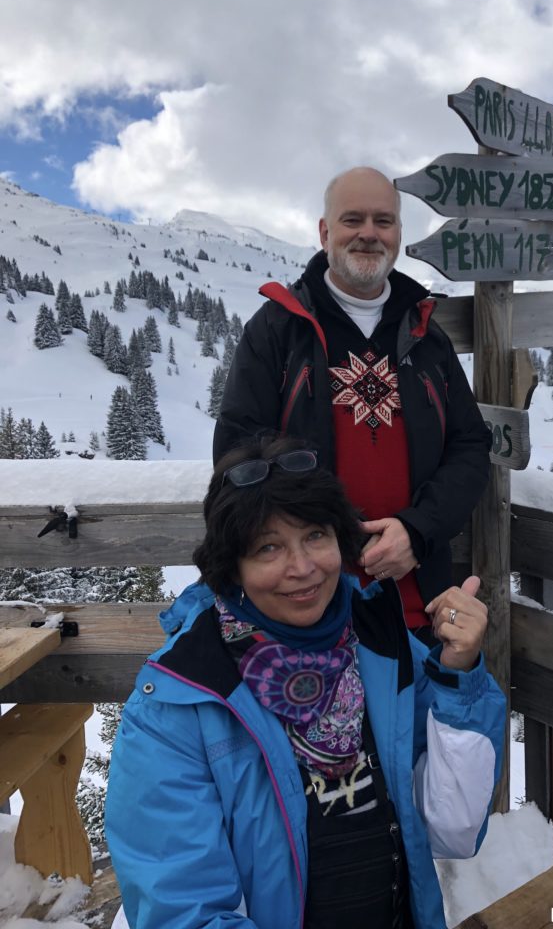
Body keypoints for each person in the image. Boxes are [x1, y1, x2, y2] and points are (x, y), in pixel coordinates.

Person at [105, 439, 505, 929]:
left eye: (316, 535)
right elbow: (184, 913)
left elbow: (454, 830)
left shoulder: (380, 643)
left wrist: (459, 674)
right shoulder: (178, 703)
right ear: (232, 567)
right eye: (268, 547)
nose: (302, 568)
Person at [213, 167, 491, 640]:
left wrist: (417, 531)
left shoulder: (426, 334)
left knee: (418, 715)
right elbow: (238, 455)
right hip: (309, 607)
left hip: (419, 606)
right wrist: (324, 536)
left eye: (383, 221)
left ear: (399, 233)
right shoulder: (280, 328)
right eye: (352, 220)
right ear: (325, 232)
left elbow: (469, 446)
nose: (369, 234)